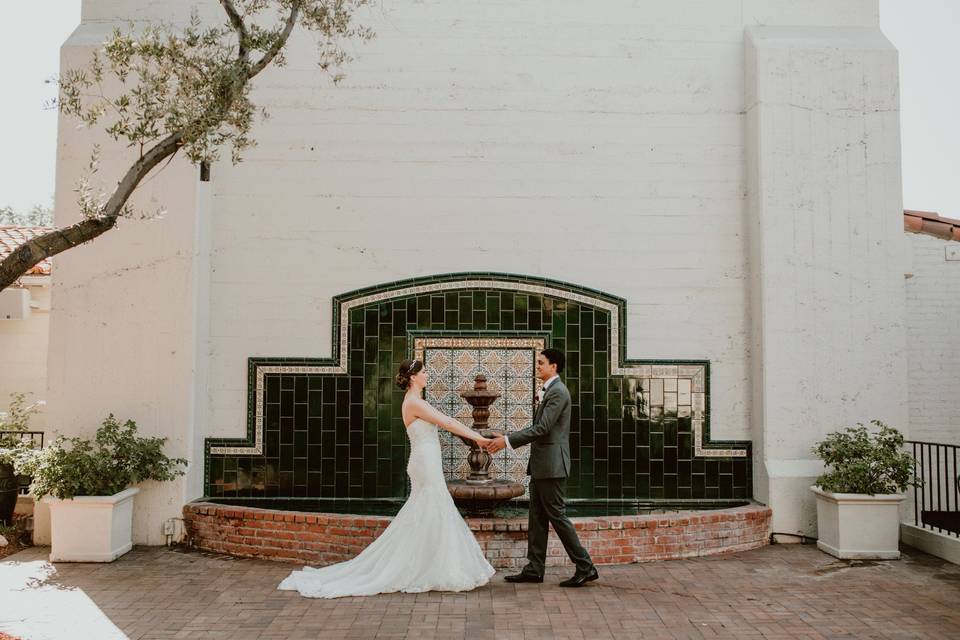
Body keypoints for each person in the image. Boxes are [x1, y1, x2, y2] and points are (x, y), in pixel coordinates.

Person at [278, 358, 496, 598]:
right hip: (425, 461)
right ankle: (429, 567)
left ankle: (428, 565)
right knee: (434, 507)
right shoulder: (414, 402)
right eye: (423, 372)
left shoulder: (414, 401)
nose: (426, 375)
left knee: (427, 511)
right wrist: (479, 438)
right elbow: (447, 422)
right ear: (413, 377)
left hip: (425, 460)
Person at [486, 348, 598, 587]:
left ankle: (585, 567)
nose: (537, 366)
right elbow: (540, 428)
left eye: (541, 363)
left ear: (553, 366)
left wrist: (506, 441)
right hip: (542, 466)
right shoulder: (550, 391)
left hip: (552, 465)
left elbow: (542, 429)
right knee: (537, 517)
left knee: (557, 517)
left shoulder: (558, 392)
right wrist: (507, 434)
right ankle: (534, 568)